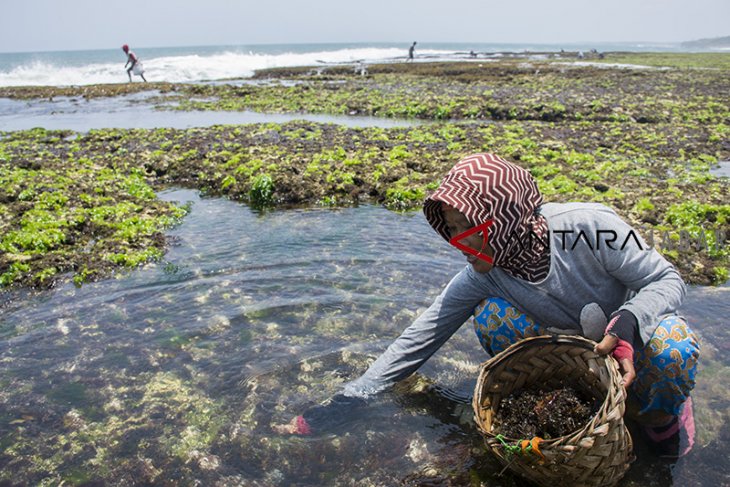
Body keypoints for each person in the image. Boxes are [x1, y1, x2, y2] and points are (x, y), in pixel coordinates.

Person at [273, 153, 699, 458]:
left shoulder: (593, 226)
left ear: (506, 215)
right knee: (494, 317)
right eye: (451, 230)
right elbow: (419, 337)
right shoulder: (485, 272)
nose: (460, 244)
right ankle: (575, 395)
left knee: (674, 350)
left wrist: (628, 322)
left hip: (631, 338)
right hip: (574, 351)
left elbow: (667, 278)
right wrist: (349, 400)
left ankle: (660, 417)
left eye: (470, 228)